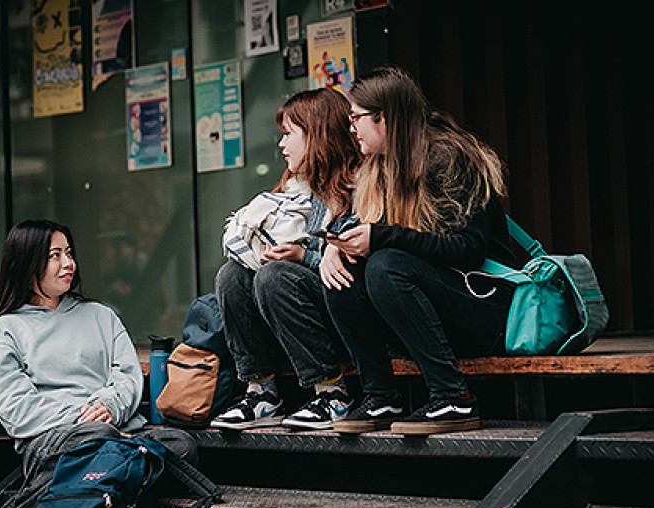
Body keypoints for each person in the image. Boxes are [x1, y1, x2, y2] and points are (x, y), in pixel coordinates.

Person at [0, 219, 196, 508]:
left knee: (181, 447)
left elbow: (127, 375)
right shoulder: (7, 329)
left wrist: (109, 405)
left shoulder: (100, 315)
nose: (68, 263)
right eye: (54, 255)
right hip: (53, 440)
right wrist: (84, 417)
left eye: (69, 253)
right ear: (25, 262)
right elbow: (16, 410)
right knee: (106, 440)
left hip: (114, 430)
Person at [322, 65, 519, 435]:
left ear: (385, 118)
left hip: (485, 308)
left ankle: (453, 398)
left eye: (357, 118)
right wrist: (337, 248)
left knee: (385, 265)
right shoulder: (378, 167)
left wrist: (381, 238)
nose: (352, 129)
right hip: (428, 314)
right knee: (342, 274)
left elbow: (467, 250)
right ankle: (382, 397)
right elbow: (375, 233)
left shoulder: (451, 157)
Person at [211, 88, 361, 431]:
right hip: (294, 319)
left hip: (347, 316)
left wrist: (300, 256)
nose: (281, 145)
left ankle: (333, 394)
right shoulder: (293, 191)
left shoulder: (357, 186)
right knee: (231, 276)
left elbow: (356, 263)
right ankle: (262, 393)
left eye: (289, 134)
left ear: (317, 135)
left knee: (275, 276)